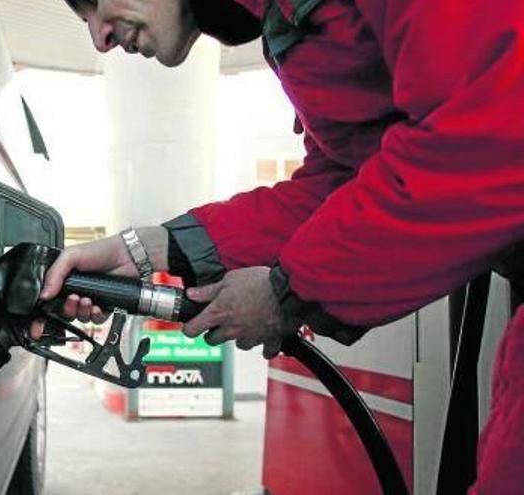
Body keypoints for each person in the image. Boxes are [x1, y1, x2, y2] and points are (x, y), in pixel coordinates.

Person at [35, 0, 524, 493]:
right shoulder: (294, 23)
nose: (98, 38)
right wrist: (143, 250)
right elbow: (342, 183)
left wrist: (287, 293)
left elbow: (493, 127)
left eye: (93, 2)